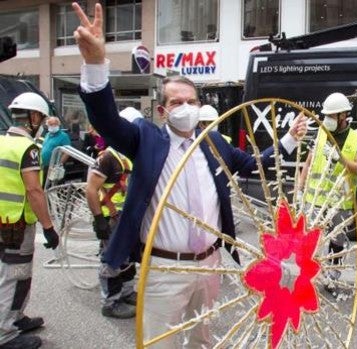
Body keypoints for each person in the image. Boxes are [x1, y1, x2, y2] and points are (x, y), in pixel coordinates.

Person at [72, 3, 307, 347]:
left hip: (210, 265)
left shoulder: (212, 141)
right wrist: (95, 64)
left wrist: (287, 140)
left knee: (203, 339)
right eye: (176, 102)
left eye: (191, 101)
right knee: (158, 342)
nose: (185, 108)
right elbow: (107, 120)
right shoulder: (146, 139)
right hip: (164, 269)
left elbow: (254, 164)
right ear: (162, 110)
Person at [0, 92, 60, 349]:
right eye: (42, 118)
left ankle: (15, 317)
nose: (44, 124)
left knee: (10, 272)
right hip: (17, 222)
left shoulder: (1, 141)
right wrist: (48, 228)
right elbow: (34, 191)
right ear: (34, 117)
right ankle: (5, 334)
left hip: (3, 220)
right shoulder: (28, 149)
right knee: (15, 274)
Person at [298, 92, 357, 298]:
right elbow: (308, 162)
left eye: (332, 115)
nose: (328, 119)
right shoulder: (321, 134)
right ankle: (306, 278)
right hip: (314, 200)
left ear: (344, 115)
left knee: (337, 243)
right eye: (327, 115)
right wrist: (299, 188)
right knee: (310, 242)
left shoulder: (356, 138)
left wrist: (339, 157)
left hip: (340, 204)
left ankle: (331, 278)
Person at [85, 107, 142, 319]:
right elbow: (90, 189)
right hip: (112, 218)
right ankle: (110, 302)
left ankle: (127, 293)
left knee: (127, 257)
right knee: (111, 260)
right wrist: (99, 219)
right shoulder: (108, 157)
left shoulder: (130, 156)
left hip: (128, 217)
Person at [41, 116, 71, 184]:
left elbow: (67, 152)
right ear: (47, 125)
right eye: (51, 124)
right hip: (45, 166)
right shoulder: (47, 135)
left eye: (55, 124)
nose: (53, 126)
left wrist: (58, 164)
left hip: (55, 167)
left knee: (54, 186)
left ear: (58, 124)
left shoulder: (63, 136)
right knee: (45, 185)